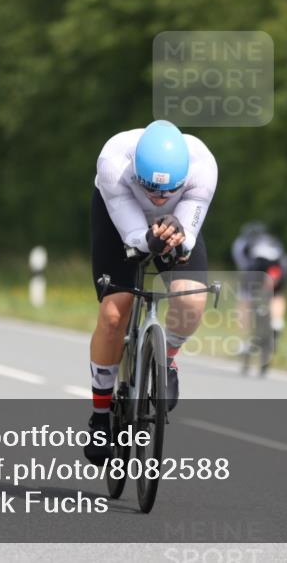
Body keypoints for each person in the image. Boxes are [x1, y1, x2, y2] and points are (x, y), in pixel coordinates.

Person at [85, 119, 218, 464]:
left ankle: (168, 360)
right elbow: (132, 236)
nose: (158, 197)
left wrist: (179, 235)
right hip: (119, 219)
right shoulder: (114, 162)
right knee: (115, 311)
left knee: (191, 300)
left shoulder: (203, 165)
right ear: (137, 173)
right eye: (151, 189)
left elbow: (186, 236)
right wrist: (147, 239)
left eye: (167, 190)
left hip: (178, 217)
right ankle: (100, 416)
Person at [231, 221, 287, 371]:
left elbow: (243, 265)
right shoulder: (274, 241)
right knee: (277, 295)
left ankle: (245, 339)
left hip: (256, 268)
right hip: (278, 268)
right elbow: (286, 261)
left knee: (244, 298)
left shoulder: (241, 242)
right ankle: (277, 323)